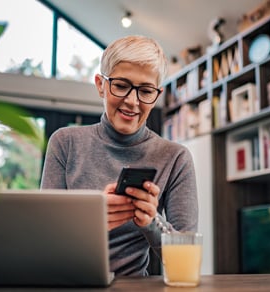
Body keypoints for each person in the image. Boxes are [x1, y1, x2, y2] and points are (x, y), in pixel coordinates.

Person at [40, 35, 198, 276]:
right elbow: (44, 240)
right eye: (122, 86)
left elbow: (186, 264)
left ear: (157, 94)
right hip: (70, 284)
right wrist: (91, 221)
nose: (132, 101)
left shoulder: (175, 158)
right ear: (101, 85)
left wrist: (151, 222)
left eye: (145, 91)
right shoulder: (65, 143)